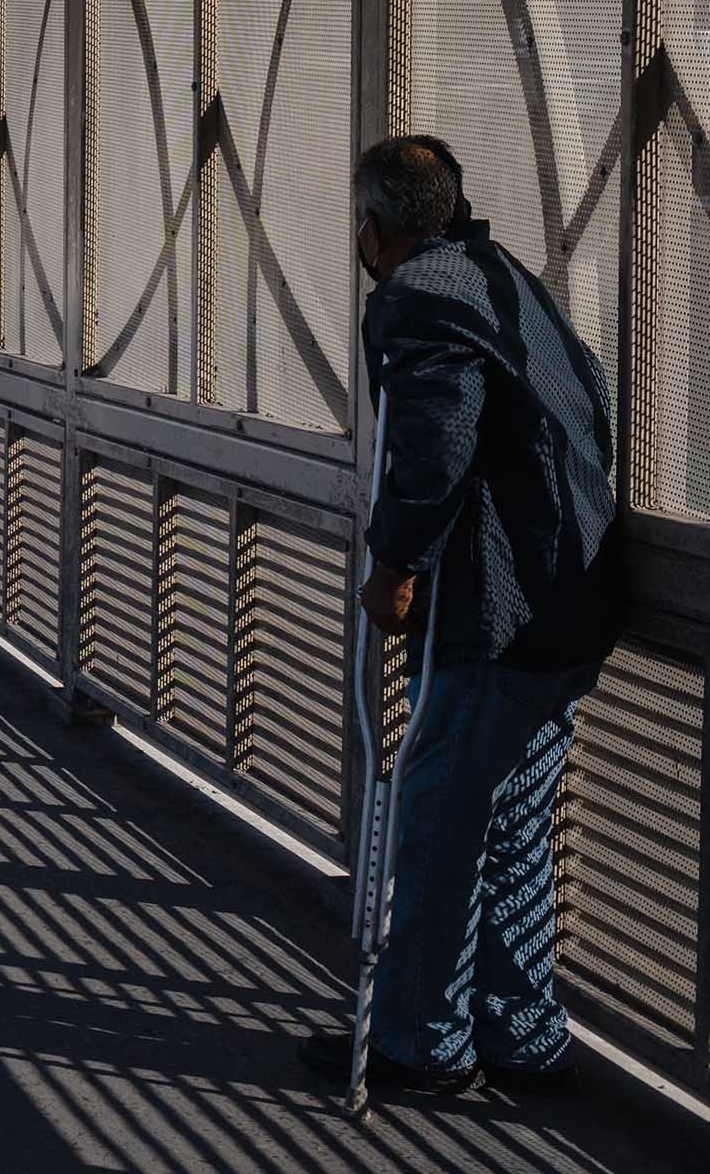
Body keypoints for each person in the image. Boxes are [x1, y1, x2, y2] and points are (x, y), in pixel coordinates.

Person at [300, 136, 627, 1099]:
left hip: (495, 612)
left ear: (375, 226)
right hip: (573, 600)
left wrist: (396, 568)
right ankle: (521, 1031)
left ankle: (421, 1040)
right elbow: (595, 396)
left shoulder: (419, 297)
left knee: (439, 819)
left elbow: (436, 445)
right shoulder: (507, 276)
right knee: (514, 819)